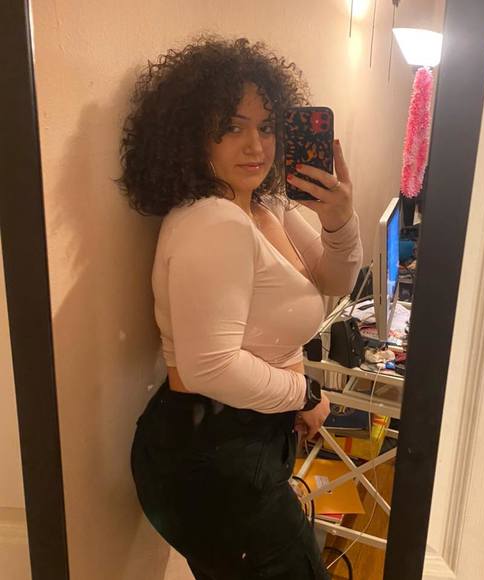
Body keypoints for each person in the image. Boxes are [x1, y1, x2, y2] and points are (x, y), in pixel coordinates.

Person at [118, 35, 363, 579]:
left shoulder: (264, 205)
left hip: (234, 440)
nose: (256, 146)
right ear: (191, 133)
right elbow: (211, 367)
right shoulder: (216, 221)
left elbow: (337, 278)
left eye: (267, 127)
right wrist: (305, 393)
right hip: (210, 452)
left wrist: (338, 218)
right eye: (232, 127)